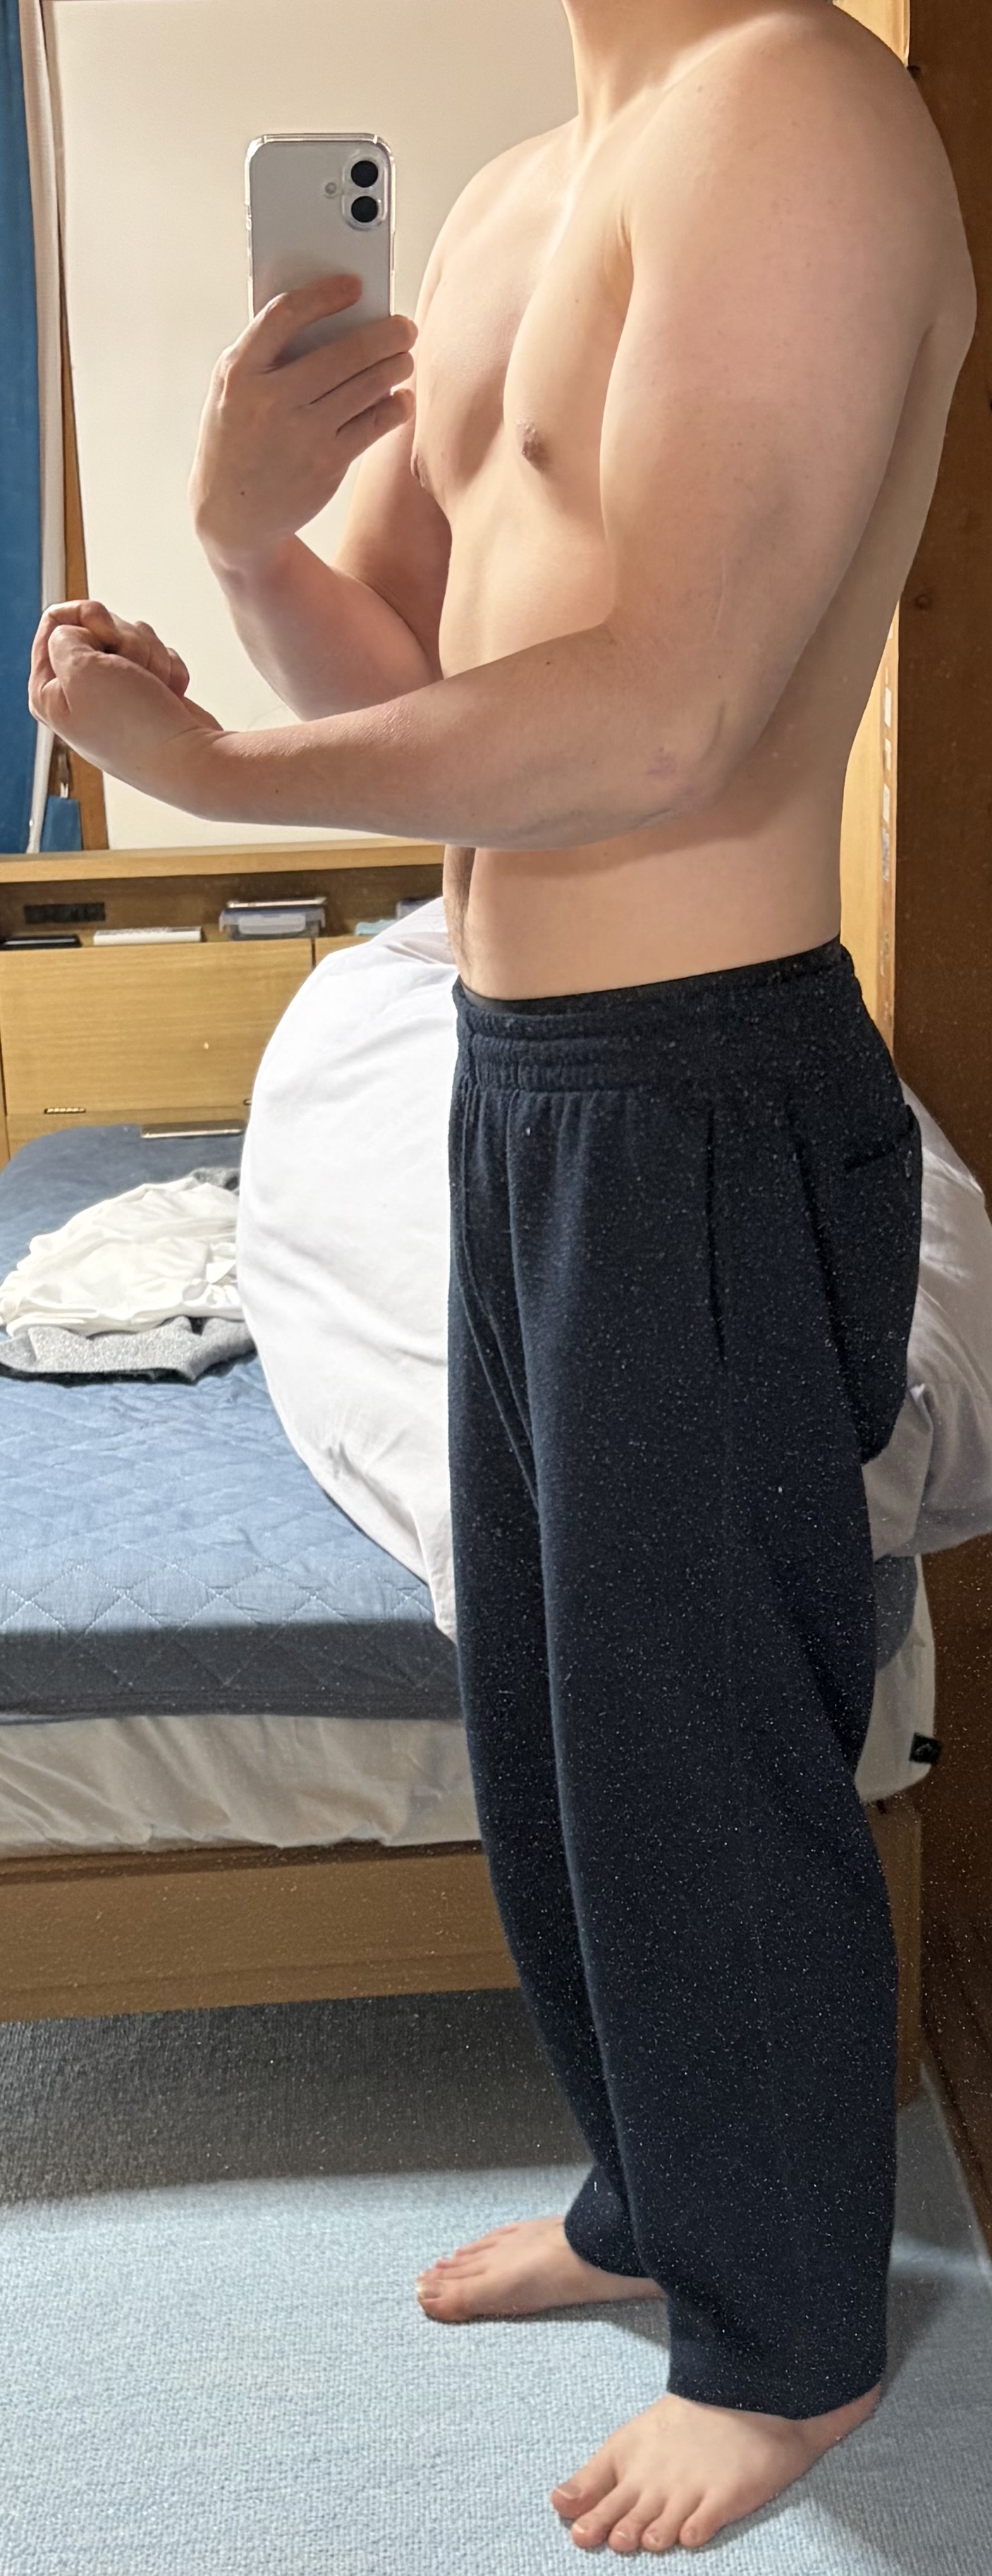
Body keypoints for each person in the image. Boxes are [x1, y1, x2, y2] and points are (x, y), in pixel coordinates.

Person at [42, 0, 976, 2553]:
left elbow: (665, 718)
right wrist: (246, 549)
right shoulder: (507, 195)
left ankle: (787, 2339)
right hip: (523, 1075)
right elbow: (430, 677)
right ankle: (660, 2196)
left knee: (704, 1734)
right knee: (561, 1718)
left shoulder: (799, 110)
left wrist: (217, 778)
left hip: (706, 1078)